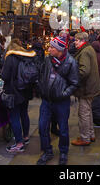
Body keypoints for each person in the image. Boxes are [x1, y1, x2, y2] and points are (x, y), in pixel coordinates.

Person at [36, 36, 79, 165]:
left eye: (52, 47)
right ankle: (47, 151)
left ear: (59, 50)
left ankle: (64, 152)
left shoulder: (71, 62)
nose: (49, 49)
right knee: (42, 127)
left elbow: (75, 83)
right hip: (46, 100)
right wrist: (41, 87)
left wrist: (63, 94)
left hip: (61, 102)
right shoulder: (47, 59)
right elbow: (42, 74)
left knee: (63, 128)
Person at [1, 39, 38, 154]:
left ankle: (19, 144)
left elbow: (5, 76)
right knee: (24, 113)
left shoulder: (11, 58)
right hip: (25, 90)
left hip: (13, 92)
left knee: (14, 117)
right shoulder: (28, 56)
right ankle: (25, 137)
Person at [71, 32, 100, 146]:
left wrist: (73, 77)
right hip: (91, 86)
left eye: (77, 40)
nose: (75, 42)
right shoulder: (88, 48)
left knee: (83, 113)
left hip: (86, 88)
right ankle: (90, 134)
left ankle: (85, 138)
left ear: (82, 41)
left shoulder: (84, 52)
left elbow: (84, 71)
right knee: (88, 112)